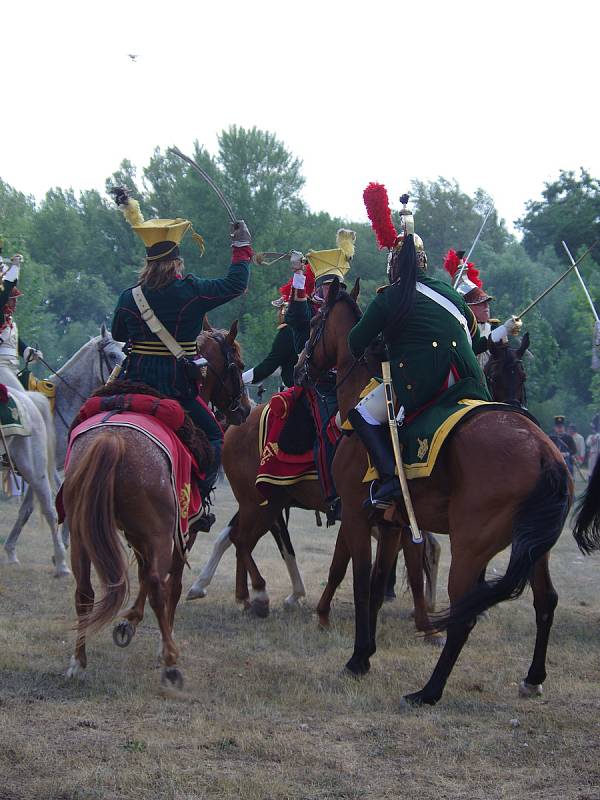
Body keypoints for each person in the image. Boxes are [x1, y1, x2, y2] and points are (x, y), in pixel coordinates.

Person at [347, 186, 521, 507]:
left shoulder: (391, 296)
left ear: (395, 265)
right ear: (424, 263)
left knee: (361, 414)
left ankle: (388, 479)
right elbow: (470, 332)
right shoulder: (451, 294)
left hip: (426, 382)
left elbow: (356, 341)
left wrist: (383, 345)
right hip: (470, 379)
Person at [110, 188, 252, 530]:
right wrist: (241, 248)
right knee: (216, 438)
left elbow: (117, 334)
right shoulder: (191, 291)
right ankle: (197, 503)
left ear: (148, 261)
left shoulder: (130, 297)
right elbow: (236, 284)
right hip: (177, 389)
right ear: (177, 261)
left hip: (132, 381)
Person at [285, 230, 356, 521]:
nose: (332, 292)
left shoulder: (348, 310)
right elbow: (295, 315)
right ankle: (334, 494)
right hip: (319, 386)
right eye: (328, 287)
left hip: (348, 382)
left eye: (336, 287)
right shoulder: (311, 312)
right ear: (320, 288)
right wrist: (299, 274)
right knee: (330, 431)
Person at [443, 250, 499, 370]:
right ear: (468, 308)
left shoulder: (493, 327)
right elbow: (478, 346)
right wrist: (504, 330)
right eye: (480, 304)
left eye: (486, 304)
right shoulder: (460, 330)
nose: (486, 308)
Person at [242, 283, 299, 391]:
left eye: (280, 309)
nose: (278, 313)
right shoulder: (297, 329)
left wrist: (241, 379)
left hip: (295, 388)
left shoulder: (288, 332)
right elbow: (280, 365)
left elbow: (271, 364)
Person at [0, 254, 44, 383]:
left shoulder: (9, 323)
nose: (15, 303)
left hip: (11, 368)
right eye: (12, 299)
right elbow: (3, 293)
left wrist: (27, 351)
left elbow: (15, 342)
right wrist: (14, 268)